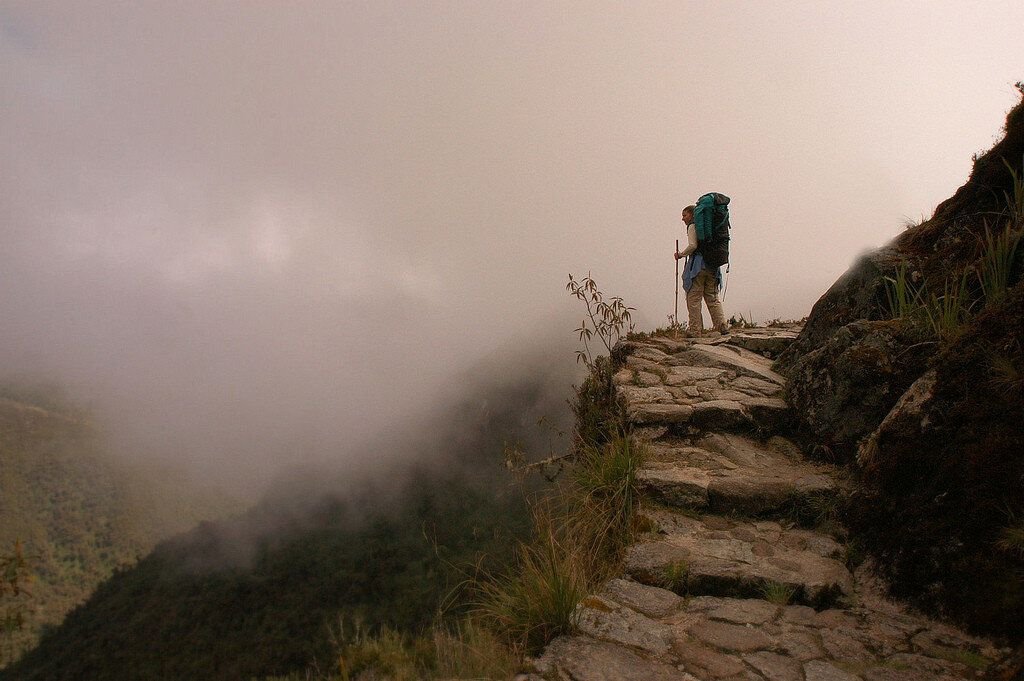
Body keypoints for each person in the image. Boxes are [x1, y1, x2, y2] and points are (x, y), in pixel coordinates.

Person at [675, 204, 728, 336]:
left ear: (693, 215)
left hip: (698, 267)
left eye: (684, 215)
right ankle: (722, 327)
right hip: (712, 266)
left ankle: (695, 330)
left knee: (693, 298)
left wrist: (681, 254)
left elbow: (693, 245)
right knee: (712, 298)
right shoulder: (710, 228)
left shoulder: (693, 226)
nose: (683, 219)